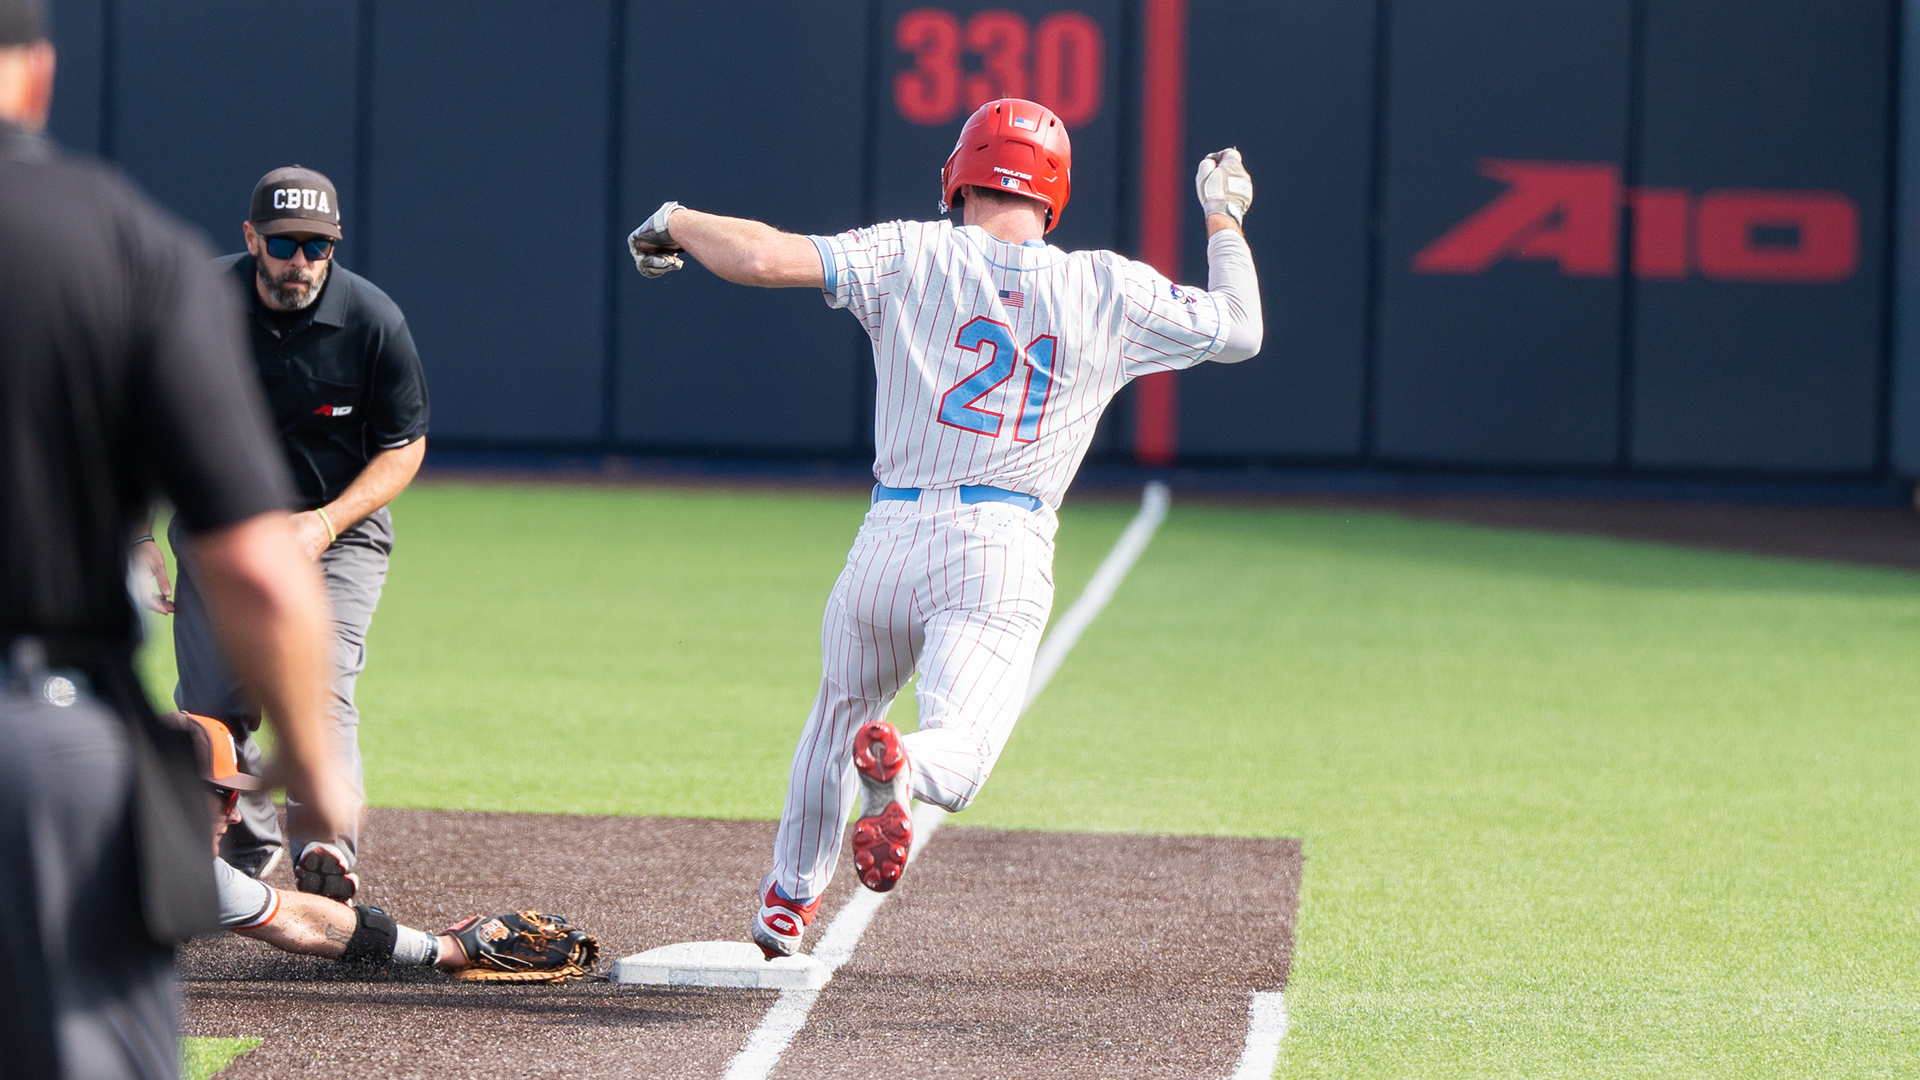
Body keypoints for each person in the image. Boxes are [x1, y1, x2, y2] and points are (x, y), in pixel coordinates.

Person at [627, 97, 1261, 958]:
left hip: (888, 536)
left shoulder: (908, 249)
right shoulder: (1109, 284)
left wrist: (676, 219)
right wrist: (1223, 214)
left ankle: (786, 902)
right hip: (1000, 546)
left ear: (958, 177)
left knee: (834, 718)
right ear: (1052, 194)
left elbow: (765, 258)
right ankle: (905, 768)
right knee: (957, 752)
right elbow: (1240, 332)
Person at [0, 0, 356, 1073]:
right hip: (44, 739)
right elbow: (249, 557)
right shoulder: (121, 242)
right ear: (40, 74)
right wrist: (308, 749)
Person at [136, 165, 431, 902]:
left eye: (315, 247)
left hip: (337, 531)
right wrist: (141, 536)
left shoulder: (371, 320)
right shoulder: (196, 303)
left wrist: (327, 521)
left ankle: (325, 845)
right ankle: (250, 838)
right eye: (283, 244)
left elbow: (404, 444)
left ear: (334, 247)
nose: (299, 262)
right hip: (218, 525)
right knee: (210, 706)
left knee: (322, 682)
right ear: (250, 238)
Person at [174, 710, 600, 980]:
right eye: (225, 796)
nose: (234, 816)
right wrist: (448, 950)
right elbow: (298, 919)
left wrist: (440, 949)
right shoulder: (181, 866)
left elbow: (295, 916)